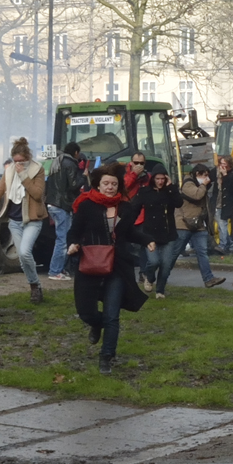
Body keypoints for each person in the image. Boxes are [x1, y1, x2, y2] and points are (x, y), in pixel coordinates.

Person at [67, 162, 156, 374]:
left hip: (117, 265)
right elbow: (74, 231)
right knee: (86, 312)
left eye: (114, 184)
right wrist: (73, 244)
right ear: (97, 185)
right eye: (106, 183)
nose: (110, 187)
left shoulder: (125, 208)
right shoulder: (87, 205)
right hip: (90, 262)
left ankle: (107, 356)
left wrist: (146, 240)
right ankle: (95, 324)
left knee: (112, 315)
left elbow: (128, 234)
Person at [0, 137, 48, 303]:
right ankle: (35, 285)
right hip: (15, 221)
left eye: (22, 161)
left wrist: (24, 176)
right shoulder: (9, 170)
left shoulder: (37, 169)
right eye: (15, 161)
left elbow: (38, 195)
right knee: (22, 258)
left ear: (28, 158)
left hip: (32, 219)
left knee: (25, 252)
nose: (18, 164)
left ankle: (34, 286)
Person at [170, 164, 226, 289]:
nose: (206, 178)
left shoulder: (201, 186)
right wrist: (204, 185)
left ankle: (209, 279)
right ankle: (161, 275)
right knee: (175, 253)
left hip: (198, 225)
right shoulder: (188, 184)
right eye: (204, 175)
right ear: (197, 174)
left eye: (207, 175)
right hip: (184, 224)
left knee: (202, 252)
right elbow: (197, 195)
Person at [133, 164, 182, 298]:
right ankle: (149, 277)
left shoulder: (170, 191)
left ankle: (160, 290)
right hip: (150, 233)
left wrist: (171, 187)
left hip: (168, 233)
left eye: (162, 179)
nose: (160, 181)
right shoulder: (145, 192)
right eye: (157, 179)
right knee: (154, 261)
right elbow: (135, 207)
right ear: (153, 179)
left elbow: (179, 203)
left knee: (166, 265)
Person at [45, 141, 87, 280]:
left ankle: (60, 269)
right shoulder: (70, 164)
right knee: (63, 240)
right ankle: (55, 271)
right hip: (62, 204)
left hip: (52, 203)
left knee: (62, 238)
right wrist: (84, 176)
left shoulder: (57, 162)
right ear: (76, 153)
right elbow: (74, 184)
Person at [124, 152, 151, 280]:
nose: (139, 165)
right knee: (124, 244)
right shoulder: (124, 173)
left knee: (143, 243)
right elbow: (124, 187)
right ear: (131, 163)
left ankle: (143, 271)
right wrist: (134, 174)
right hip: (126, 213)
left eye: (141, 163)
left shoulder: (147, 177)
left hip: (141, 215)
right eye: (136, 163)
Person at [211, 156, 233, 254]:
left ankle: (223, 245)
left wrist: (225, 176)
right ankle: (231, 245)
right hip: (218, 202)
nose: (222, 166)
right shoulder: (216, 172)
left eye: (224, 163)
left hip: (228, 203)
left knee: (222, 224)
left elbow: (231, 189)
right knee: (221, 224)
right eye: (221, 163)